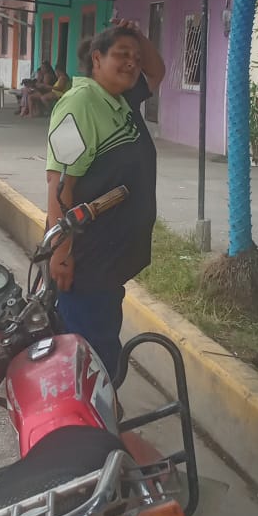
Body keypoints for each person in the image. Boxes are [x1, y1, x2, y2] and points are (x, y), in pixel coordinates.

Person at [45, 21, 164, 382]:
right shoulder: (80, 104)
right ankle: (92, 411)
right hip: (87, 256)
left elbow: (156, 72)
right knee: (91, 353)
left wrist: (138, 36)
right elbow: (59, 186)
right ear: (96, 59)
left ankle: (98, 405)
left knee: (100, 340)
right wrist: (61, 254)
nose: (132, 63)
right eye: (121, 55)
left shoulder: (121, 99)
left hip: (110, 259)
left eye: (136, 58)